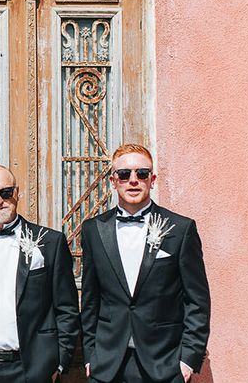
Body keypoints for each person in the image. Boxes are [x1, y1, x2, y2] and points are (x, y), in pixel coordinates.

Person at [81, 143, 211, 383]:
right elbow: (90, 299)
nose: (133, 180)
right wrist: (90, 355)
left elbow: (197, 301)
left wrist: (188, 360)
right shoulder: (93, 230)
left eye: (141, 174)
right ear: (113, 180)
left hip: (164, 363)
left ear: (152, 180)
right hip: (108, 365)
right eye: (124, 174)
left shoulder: (180, 229)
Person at [0, 164, 80, 383]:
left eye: (5, 193)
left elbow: (66, 308)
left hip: (31, 369)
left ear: (17, 193)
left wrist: (58, 362)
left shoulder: (50, 242)